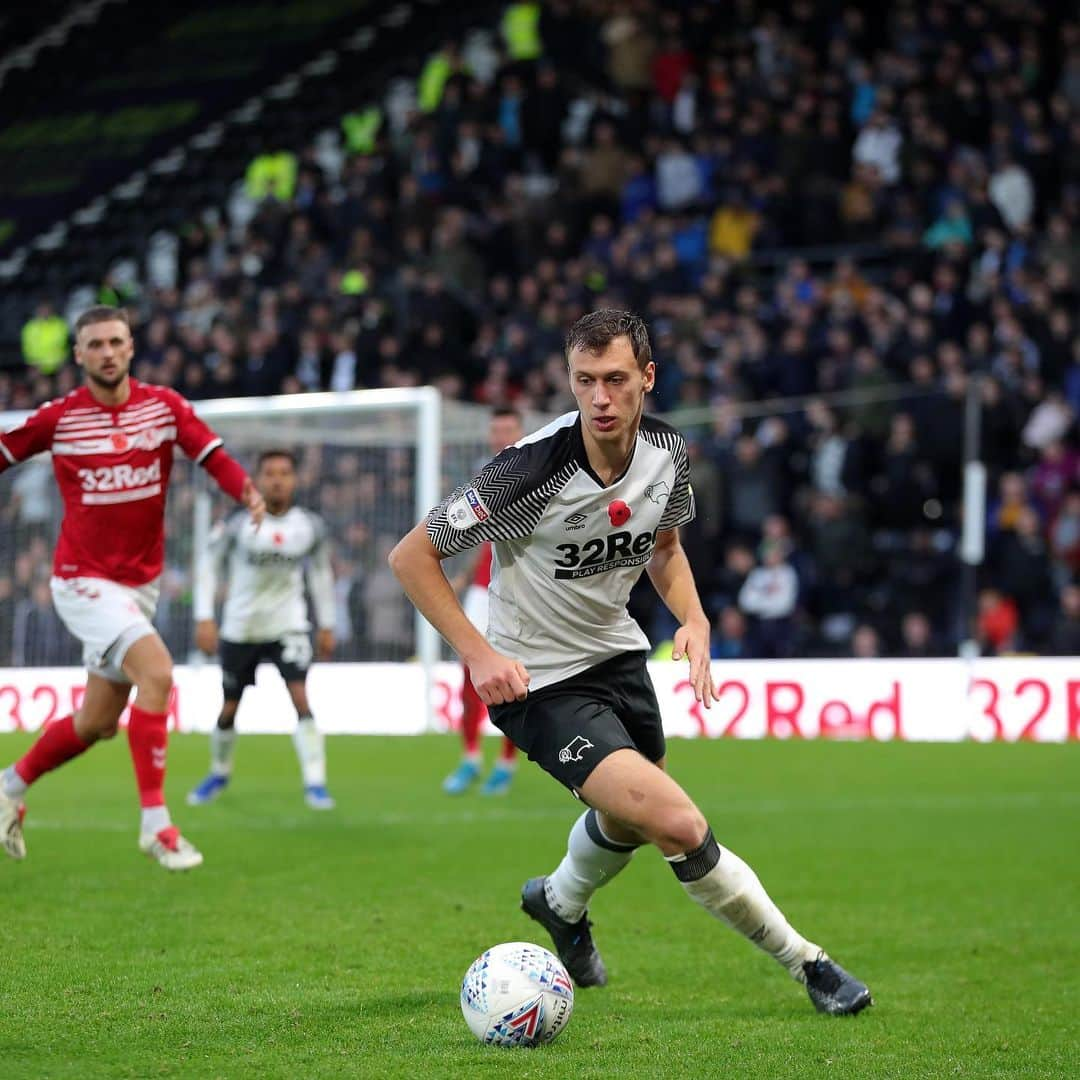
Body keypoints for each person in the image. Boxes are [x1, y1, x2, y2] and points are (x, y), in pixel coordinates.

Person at [389, 309, 871, 1014]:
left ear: (647, 378)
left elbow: (666, 549)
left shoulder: (667, 455)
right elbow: (411, 556)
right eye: (584, 382)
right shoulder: (530, 471)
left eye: (615, 380)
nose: (600, 399)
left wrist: (697, 619)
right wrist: (478, 652)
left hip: (618, 659)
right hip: (539, 684)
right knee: (676, 823)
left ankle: (559, 902)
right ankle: (810, 965)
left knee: (628, 822)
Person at [0, 305, 265, 870]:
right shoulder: (61, 418)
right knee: (159, 672)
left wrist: (246, 490)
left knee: (96, 721)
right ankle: (156, 825)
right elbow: (6, 450)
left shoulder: (163, 408)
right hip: (83, 581)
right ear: (78, 354)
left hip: (139, 585)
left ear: (131, 346)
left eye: (115, 341)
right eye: (94, 344)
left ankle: (9, 786)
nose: (107, 352)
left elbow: (209, 452)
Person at [187, 450, 337, 809]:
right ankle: (220, 772)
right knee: (230, 706)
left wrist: (328, 623)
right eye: (270, 473)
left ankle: (315, 783)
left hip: (289, 624)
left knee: (301, 697)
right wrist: (205, 617)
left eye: (285, 472)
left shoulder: (309, 526)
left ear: (295, 480)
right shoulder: (236, 524)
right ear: (257, 480)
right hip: (242, 626)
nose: (277, 480)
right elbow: (208, 567)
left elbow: (320, 574)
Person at [443, 407, 524, 797]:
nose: (499, 436)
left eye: (506, 429)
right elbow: (485, 534)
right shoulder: (483, 472)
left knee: (513, 674)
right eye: (495, 430)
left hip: (517, 588)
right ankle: (471, 757)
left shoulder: (534, 468)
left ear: (520, 431)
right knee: (470, 671)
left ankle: (506, 762)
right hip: (481, 587)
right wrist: (465, 572)